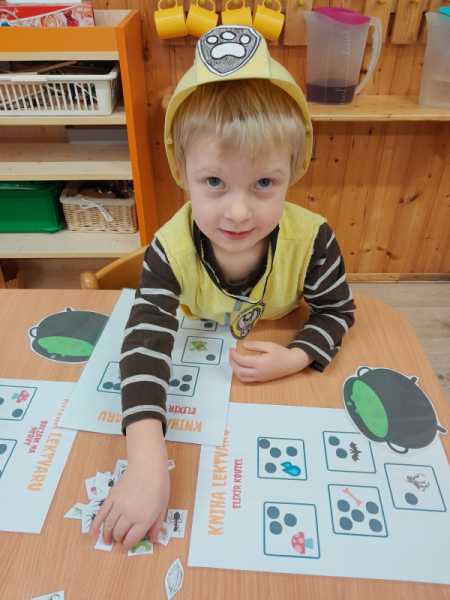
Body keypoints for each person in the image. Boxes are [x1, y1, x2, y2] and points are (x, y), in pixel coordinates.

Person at [90, 25, 355, 550]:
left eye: (264, 183)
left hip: (276, 382)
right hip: (203, 357)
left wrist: (297, 356)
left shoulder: (313, 240)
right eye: (214, 182)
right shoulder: (169, 248)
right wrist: (146, 463)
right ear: (182, 171)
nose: (238, 212)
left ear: (292, 173)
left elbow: (336, 311)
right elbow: (144, 343)